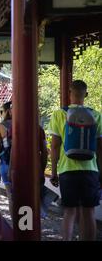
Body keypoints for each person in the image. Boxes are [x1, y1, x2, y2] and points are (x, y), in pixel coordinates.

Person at [48, 80, 102, 241]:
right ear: (86, 94)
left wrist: (54, 172)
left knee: (69, 212)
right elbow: (100, 148)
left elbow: (55, 146)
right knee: (89, 212)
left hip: (67, 170)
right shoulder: (96, 115)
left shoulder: (59, 114)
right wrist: (100, 173)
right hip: (90, 170)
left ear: (70, 93)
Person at [0, 101, 13, 218]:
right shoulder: (28, 124)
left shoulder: (0, 126)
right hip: (24, 164)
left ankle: (15, 224)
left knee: (11, 196)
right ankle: (25, 225)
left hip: (5, 163)